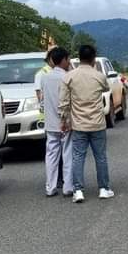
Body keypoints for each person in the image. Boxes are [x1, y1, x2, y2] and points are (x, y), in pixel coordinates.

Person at [59, 44, 114, 203]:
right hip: (97, 123)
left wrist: (64, 121)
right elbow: (106, 88)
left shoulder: (69, 77)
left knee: (78, 157)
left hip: (78, 124)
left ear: (79, 57)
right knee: (100, 156)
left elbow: (63, 103)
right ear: (93, 58)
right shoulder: (99, 76)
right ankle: (103, 188)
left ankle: (78, 190)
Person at [38, 47, 74, 197]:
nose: (69, 62)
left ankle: (50, 187)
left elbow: (42, 101)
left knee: (51, 155)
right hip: (66, 122)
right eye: (68, 59)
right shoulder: (67, 77)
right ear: (64, 60)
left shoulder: (44, 78)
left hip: (51, 122)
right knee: (67, 154)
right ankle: (68, 187)